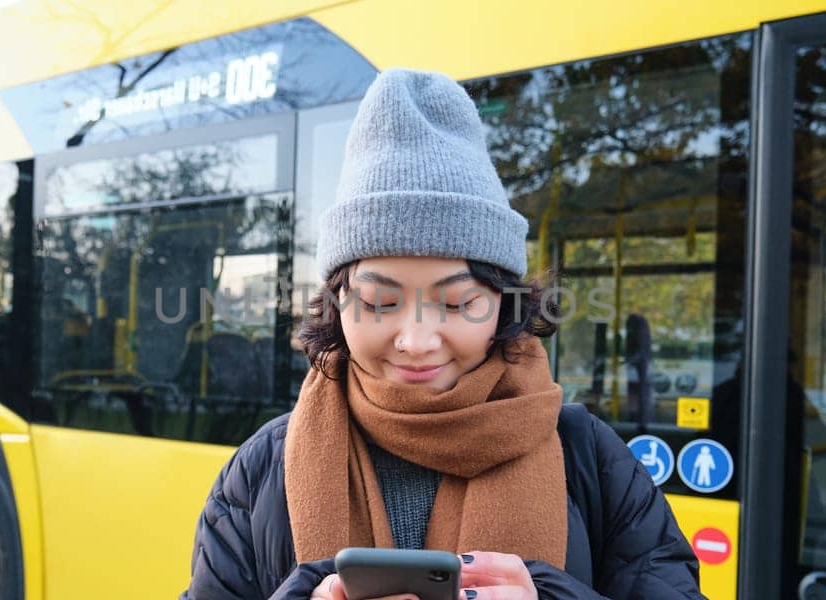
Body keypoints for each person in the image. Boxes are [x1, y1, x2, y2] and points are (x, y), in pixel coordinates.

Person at [182, 68, 702, 600]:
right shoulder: (262, 468)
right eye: (379, 302)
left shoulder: (591, 457)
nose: (417, 340)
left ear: (504, 302)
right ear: (337, 301)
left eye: (458, 302)